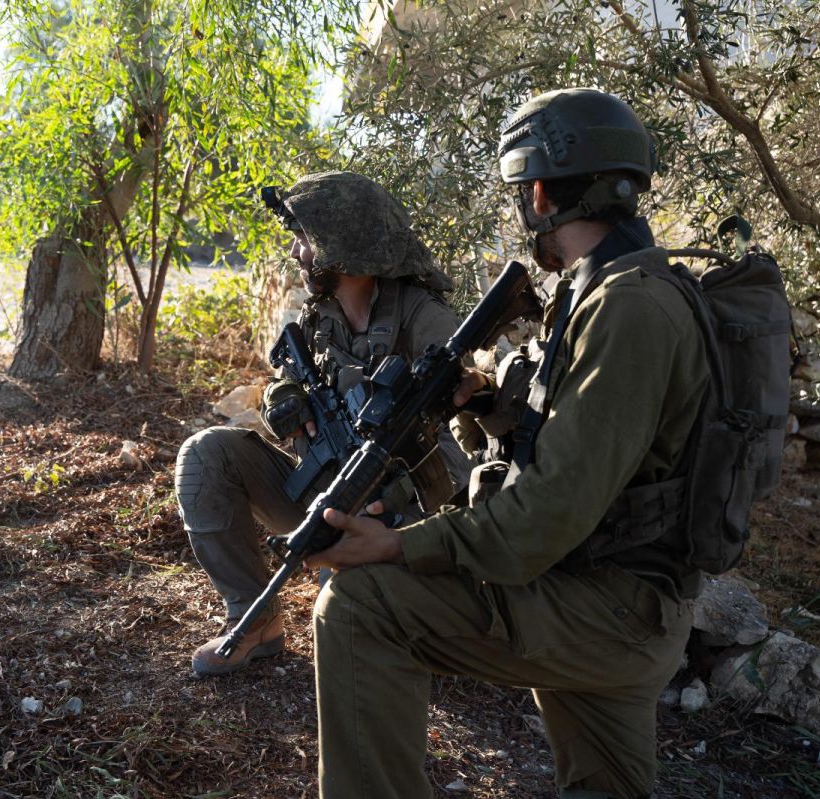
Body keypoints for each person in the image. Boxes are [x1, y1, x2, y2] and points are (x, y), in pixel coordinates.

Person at [308, 89, 708, 799]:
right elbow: (583, 451)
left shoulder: (627, 309)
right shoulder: (615, 287)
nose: (524, 210)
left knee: (358, 604)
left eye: (523, 193)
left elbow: (542, 521)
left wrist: (399, 544)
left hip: (606, 605)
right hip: (623, 595)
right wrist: (488, 406)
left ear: (544, 192)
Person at [175, 170, 470, 677]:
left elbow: (469, 448)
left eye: (305, 239)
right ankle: (254, 620)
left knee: (344, 614)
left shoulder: (427, 322)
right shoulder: (320, 319)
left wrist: (395, 501)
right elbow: (288, 391)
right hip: (325, 493)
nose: (296, 253)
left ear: (344, 243)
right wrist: (282, 398)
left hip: (406, 523)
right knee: (205, 456)